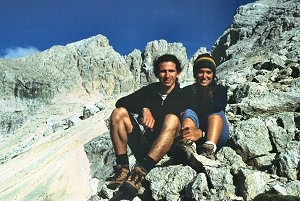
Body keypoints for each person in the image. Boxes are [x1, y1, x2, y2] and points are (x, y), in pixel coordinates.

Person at [107, 54, 183, 196]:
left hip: (170, 149)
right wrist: (144, 108)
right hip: (147, 146)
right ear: (156, 73)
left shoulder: (183, 95)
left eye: (171, 71)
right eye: (163, 71)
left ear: (177, 73)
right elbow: (121, 102)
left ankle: (140, 173)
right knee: (119, 113)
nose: (167, 75)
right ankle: (123, 168)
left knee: (172, 119)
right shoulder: (150, 91)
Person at [180, 53, 230, 160]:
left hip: (216, 135)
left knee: (217, 112)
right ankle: (188, 145)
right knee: (188, 111)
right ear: (195, 73)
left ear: (213, 74)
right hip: (193, 135)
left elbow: (217, 106)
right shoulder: (186, 91)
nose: (204, 76)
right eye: (201, 72)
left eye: (208, 72)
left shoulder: (220, 90)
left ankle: (209, 149)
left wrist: (201, 132)